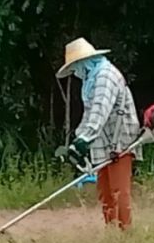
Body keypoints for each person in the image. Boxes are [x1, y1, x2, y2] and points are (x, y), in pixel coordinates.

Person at [55, 38, 142, 230]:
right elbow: (89, 114)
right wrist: (78, 139)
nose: (75, 72)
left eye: (75, 66)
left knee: (119, 190)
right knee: (105, 191)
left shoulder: (105, 76)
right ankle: (112, 232)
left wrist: (85, 139)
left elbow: (99, 111)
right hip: (102, 141)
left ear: (84, 62)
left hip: (119, 140)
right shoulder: (91, 79)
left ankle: (125, 234)